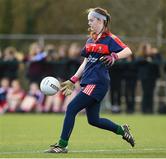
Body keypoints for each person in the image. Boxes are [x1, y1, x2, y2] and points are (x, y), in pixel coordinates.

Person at [45, 7, 135, 153]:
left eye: (92, 20)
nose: (90, 23)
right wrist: (73, 79)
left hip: (98, 82)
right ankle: (122, 130)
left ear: (101, 21)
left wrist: (114, 56)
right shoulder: (90, 40)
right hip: (89, 82)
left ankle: (62, 145)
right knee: (93, 120)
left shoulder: (110, 39)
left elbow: (128, 50)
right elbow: (86, 62)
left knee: (71, 108)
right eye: (89, 21)